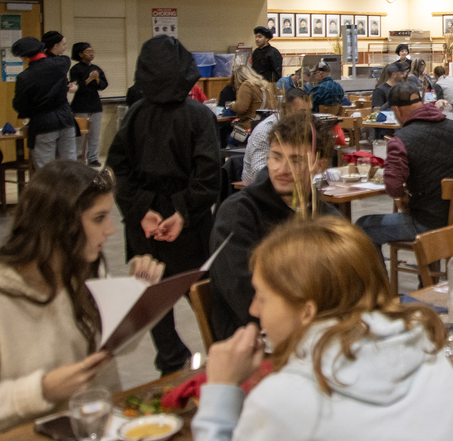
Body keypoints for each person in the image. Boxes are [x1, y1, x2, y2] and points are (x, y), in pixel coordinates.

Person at [191, 217, 453, 441]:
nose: (253, 310)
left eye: (262, 297)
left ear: (306, 311)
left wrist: (221, 391)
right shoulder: (424, 347)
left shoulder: (283, 399)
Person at [0, 161, 167, 432]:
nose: (111, 230)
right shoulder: (6, 296)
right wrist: (43, 390)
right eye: (99, 218)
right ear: (58, 224)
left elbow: (114, 347)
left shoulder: (86, 269)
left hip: (98, 426)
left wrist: (136, 300)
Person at [106, 35, 220, 377]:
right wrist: (180, 211)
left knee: (154, 299)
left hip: (145, 226)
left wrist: (142, 210)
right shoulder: (199, 116)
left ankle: (171, 361)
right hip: (187, 226)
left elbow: (116, 171)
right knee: (205, 297)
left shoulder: (135, 114)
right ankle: (222, 354)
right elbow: (208, 176)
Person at [209, 114, 339, 342]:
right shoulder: (238, 215)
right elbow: (245, 295)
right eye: (276, 157)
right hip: (254, 343)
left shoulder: (327, 218)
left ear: (320, 165)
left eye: (296, 160)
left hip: (321, 335)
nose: (282, 169)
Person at [356, 82, 453, 255]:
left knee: (363, 226)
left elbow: (393, 184)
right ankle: (427, 279)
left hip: (428, 224)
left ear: (396, 110)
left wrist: (402, 197)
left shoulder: (401, 140)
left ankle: (377, 283)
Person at [11, 37, 76, 169]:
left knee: (47, 169)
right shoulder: (62, 63)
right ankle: (73, 190)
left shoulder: (24, 77)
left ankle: (51, 190)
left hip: (43, 123)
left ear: (24, 57)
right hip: (66, 118)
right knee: (70, 165)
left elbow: (20, 105)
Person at [242, 88, 311, 183]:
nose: (306, 118)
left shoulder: (298, 129)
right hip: (260, 191)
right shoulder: (264, 131)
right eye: (302, 113)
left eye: (308, 113)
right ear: (286, 110)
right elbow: (258, 173)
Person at [69, 42, 108, 167]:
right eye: (88, 51)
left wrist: (97, 79)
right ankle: (80, 158)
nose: (91, 54)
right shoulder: (75, 69)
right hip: (80, 104)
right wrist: (89, 79)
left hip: (95, 104)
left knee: (94, 134)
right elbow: (76, 88)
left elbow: (103, 85)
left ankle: (93, 158)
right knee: (81, 134)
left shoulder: (96, 68)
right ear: (80, 54)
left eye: (92, 51)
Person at [226, 66, 277, 146]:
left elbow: (241, 107)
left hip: (250, 126)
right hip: (266, 124)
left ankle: (234, 158)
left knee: (231, 139)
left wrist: (232, 105)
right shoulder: (266, 84)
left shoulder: (246, 85)